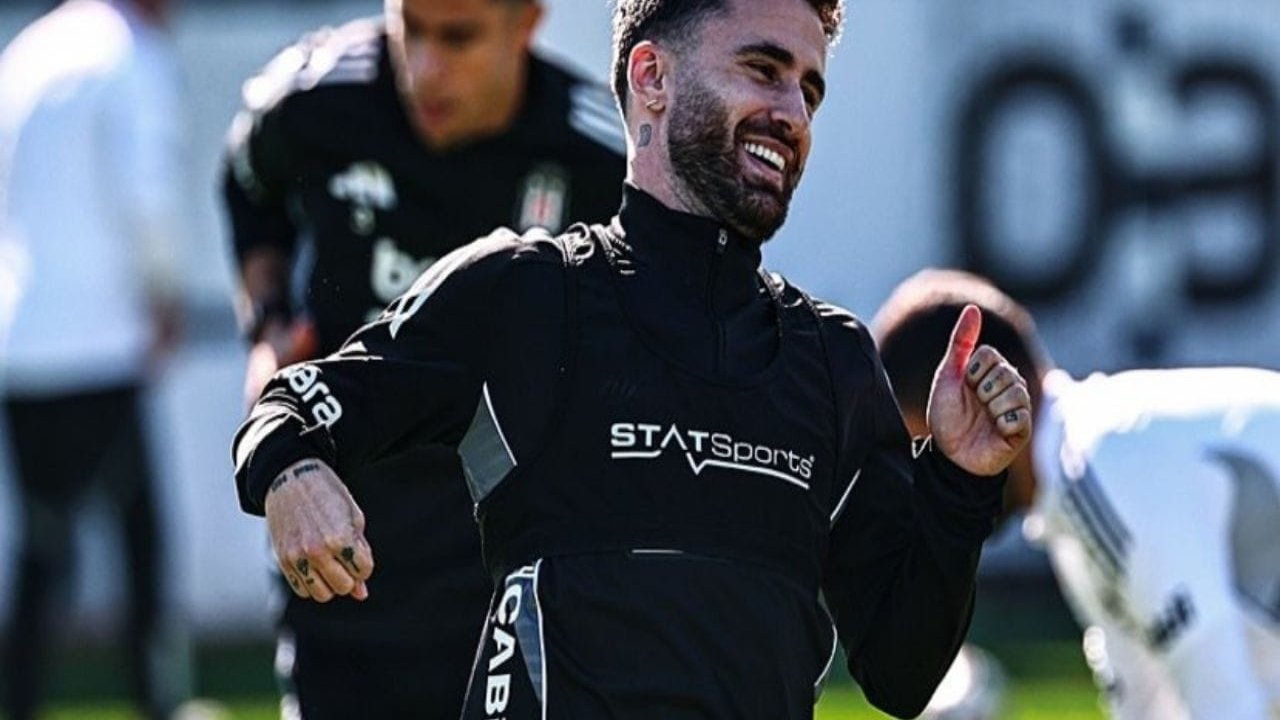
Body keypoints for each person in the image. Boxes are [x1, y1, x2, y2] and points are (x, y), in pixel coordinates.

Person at [232, 0, 1033, 717]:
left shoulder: (834, 362)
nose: (791, 113)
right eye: (763, 70)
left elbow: (902, 674)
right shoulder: (523, 293)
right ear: (652, 76)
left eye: (809, 91)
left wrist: (960, 483)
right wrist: (291, 474)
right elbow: (293, 406)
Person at [219, 0, 626, 716]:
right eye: (411, 29)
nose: (426, 69)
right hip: (341, 536)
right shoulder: (312, 99)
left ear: (527, 24)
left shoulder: (597, 156)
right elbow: (246, 184)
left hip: (500, 561)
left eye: (459, 38)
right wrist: (267, 324)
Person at [872, 268, 1280, 719]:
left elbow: (1227, 704)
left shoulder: (1101, 465)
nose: (921, 488)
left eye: (926, 449)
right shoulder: (1079, 499)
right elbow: (1152, 710)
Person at [0, 1, 188, 718]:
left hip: (25, 344)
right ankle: (156, 701)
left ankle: (19, 704)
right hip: (102, 344)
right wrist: (164, 293)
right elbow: (148, 194)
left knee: (42, 550)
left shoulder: (28, 51)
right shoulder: (128, 56)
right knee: (141, 540)